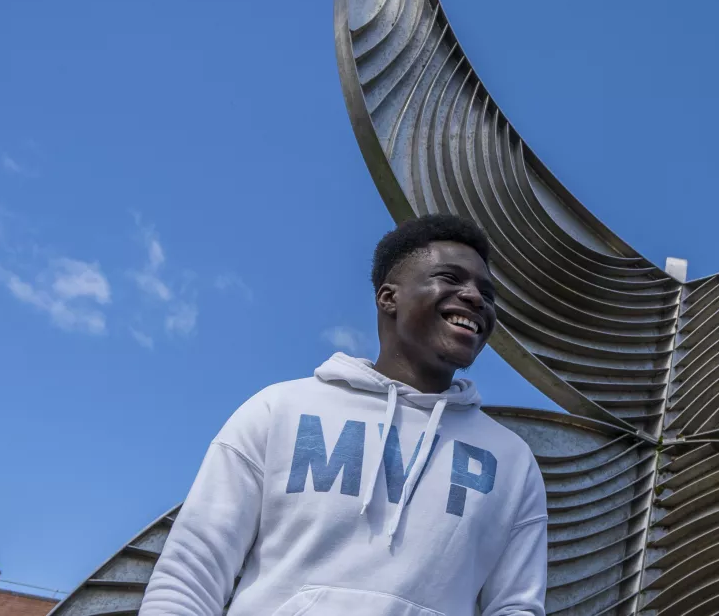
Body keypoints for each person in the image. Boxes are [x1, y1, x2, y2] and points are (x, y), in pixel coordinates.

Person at [139, 215, 547, 616]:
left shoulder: (510, 460)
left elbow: (516, 607)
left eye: (487, 293)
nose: (475, 297)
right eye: (451, 278)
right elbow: (190, 576)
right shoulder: (280, 409)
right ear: (389, 298)